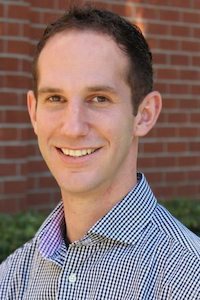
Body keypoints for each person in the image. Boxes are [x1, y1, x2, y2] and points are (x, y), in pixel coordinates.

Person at [0, 5, 200, 299]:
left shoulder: (189, 279)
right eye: (56, 98)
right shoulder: (12, 279)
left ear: (144, 115)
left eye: (99, 98)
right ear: (34, 113)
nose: (73, 128)